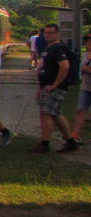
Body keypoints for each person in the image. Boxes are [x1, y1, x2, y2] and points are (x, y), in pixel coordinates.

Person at [30, 23, 77, 154]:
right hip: (47, 86)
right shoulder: (48, 48)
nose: (48, 35)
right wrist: (41, 87)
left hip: (54, 87)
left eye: (51, 33)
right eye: (46, 32)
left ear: (57, 34)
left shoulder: (58, 49)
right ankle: (70, 142)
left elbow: (65, 66)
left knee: (45, 114)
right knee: (56, 114)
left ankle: (44, 144)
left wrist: (55, 84)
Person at [72, 33, 91, 143]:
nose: (88, 44)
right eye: (88, 42)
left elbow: (85, 69)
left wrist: (86, 69)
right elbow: (81, 70)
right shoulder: (85, 55)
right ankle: (75, 133)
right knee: (80, 110)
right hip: (85, 87)